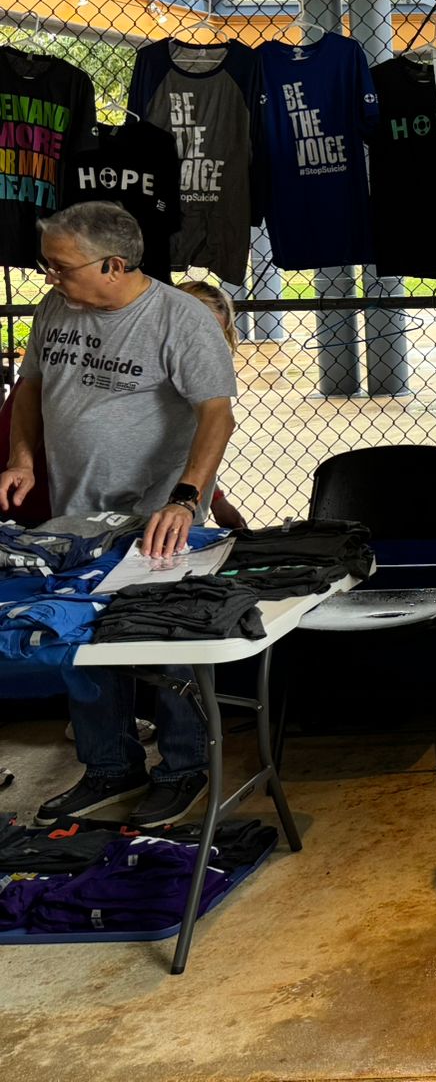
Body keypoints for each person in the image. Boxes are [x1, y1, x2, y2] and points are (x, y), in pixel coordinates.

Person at [2, 203, 236, 828]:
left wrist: (186, 497)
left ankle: (184, 769)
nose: (50, 277)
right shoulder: (55, 308)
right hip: (77, 514)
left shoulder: (180, 317)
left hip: (163, 515)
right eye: (47, 265)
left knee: (170, 639)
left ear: (113, 264)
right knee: (81, 640)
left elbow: (217, 414)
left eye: (61, 266)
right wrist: (22, 458)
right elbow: (29, 388)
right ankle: (109, 765)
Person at [176, 279, 249, 531]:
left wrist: (217, 500)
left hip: (184, 507)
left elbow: (197, 447)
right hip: (140, 508)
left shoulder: (207, 378)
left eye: (216, 337)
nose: (208, 347)